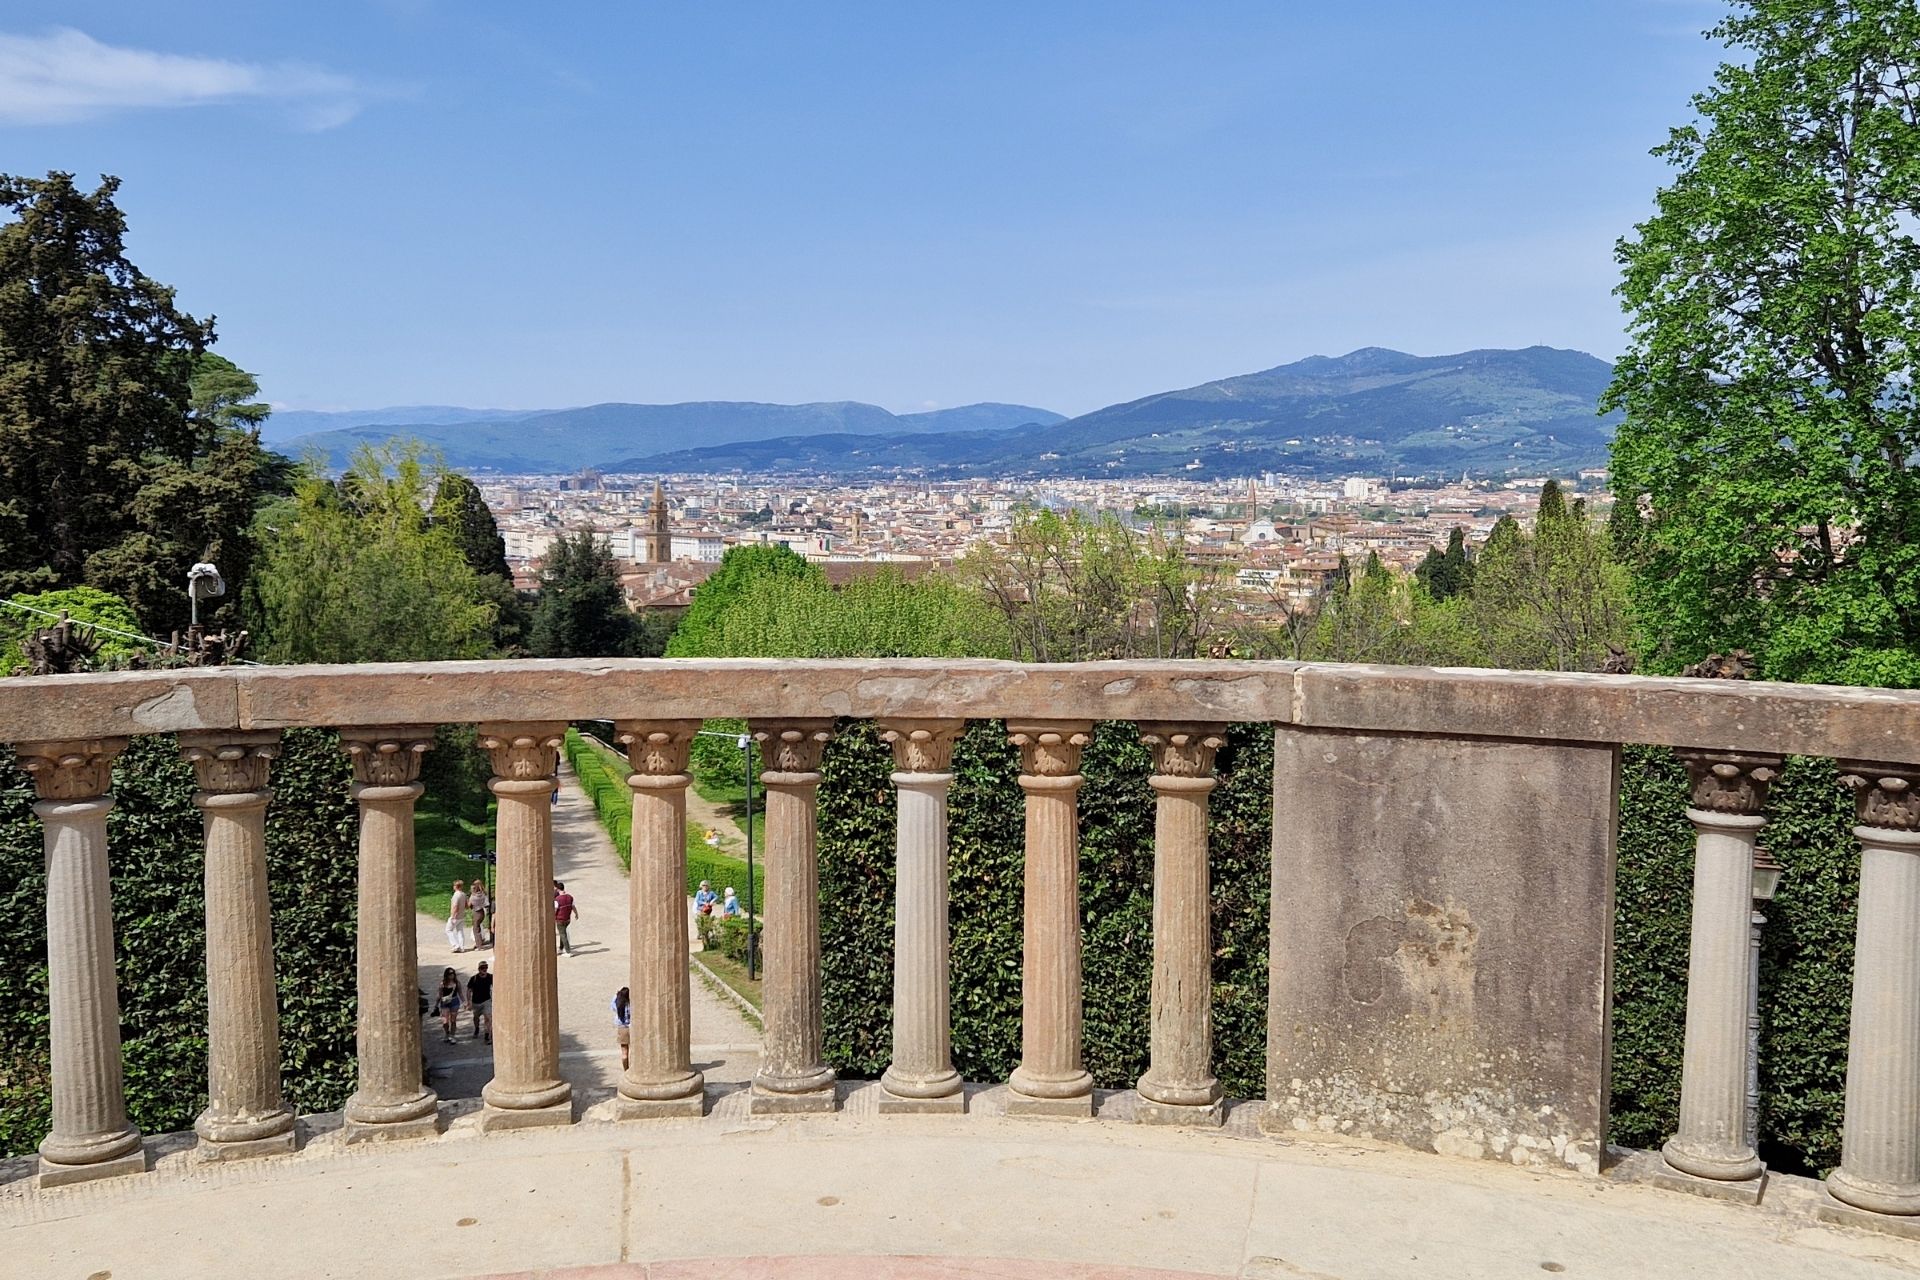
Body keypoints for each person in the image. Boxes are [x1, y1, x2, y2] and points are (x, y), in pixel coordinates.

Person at [467, 961, 493, 1044]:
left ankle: (487, 1036)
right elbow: (469, 990)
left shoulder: (490, 977)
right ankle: (477, 1028)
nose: (484, 969)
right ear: (479, 969)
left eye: (486, 967)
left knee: (488, 1018)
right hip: (476, 1003)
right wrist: (469, 1002)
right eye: (482, 968)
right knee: (476, 1018)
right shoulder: (474, 978)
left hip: (487, 1001)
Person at [434, 968, 462, 1044]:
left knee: (453, 1020)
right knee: (445, 1021)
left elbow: (460, 993)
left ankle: (452, 1036)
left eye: (453, 973)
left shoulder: (457, 983)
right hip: (444, 1002)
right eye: (450, 974)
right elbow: (439, 995)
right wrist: (436, 1005)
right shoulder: (442, 984)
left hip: (454, 1002)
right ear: (446, 975)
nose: (451, 975)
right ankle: (447, 1033)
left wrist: (465, 1002)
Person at [554, 880, 579, 955]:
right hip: (568, 919)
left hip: (560, 919)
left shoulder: (557, 899)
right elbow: (573, 906)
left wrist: (552, 918)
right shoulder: (570, 897)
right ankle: (561, 949)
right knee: (563, 933)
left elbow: (555, 910)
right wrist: (576, 914)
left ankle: (568, 951)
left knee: (563, 935)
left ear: (558, 889)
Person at [469, 875, 493, 948]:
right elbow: (486, 904)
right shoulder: (483, 894)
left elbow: (470, 904)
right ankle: (480, 941)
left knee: (476, 929)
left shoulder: (474, 896)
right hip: (482, 911)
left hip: (476, 912)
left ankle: (479, 945)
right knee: (479, 927)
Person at [447, 880, 470, 953]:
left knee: (448, 930)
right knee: (460, 931)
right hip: (462, 915)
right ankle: (462, 947)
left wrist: (453, 916)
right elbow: (467, 906)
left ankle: (455, 945)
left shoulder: (456, 895)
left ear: (455, 887)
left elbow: (455, 906)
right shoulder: (464, 894)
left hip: (456, 916)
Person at [613, 986, 632, 1071]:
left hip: (622, 1029)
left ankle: (626, 1069)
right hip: (632, 1028)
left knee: (624, 1053)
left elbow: (612, 1005)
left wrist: (617, 996)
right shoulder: (630, 1004)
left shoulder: (619, 1004)